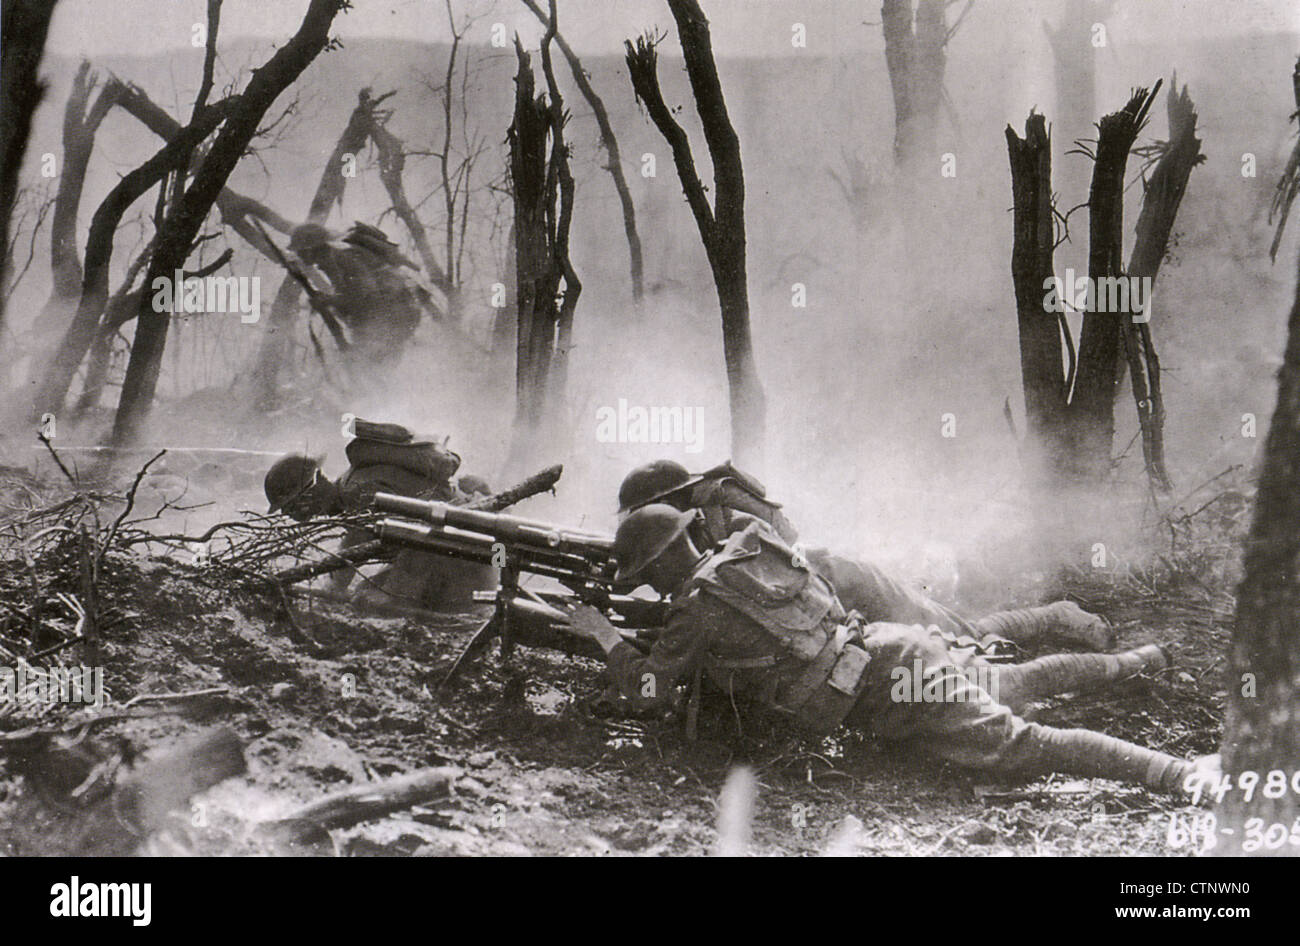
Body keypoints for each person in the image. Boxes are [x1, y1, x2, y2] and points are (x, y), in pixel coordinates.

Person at [567, 505, 1215, 796]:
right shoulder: (748, 549)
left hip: (878, 687)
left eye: (646, 575)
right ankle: (1137, 661)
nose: (648, 585)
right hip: (886, 649)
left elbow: (649, 692)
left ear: (656, 567)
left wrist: (602, 636)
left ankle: (1185, 776)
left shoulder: (696, 612)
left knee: (1018, 746)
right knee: (1013, 684)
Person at [616, 459, 1113, 653]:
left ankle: (1060, 616)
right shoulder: (693, 525)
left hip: (840, 581)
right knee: (949, 641)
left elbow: (782, 545)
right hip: (824, 605)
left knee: (963, 634)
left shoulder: (721, 501)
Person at [264, 420, 491, 609]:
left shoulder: (357, 492)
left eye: (292, 507)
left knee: (377, 604)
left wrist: (331, 589)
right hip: (457, 545)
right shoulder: (350, 485)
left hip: (477, 549)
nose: (295, 515)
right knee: (367, 594)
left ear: (308, 494)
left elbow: (352, 550)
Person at [287, 221, 432, 364]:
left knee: (370, 368)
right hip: (393, 313)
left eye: (300, 250)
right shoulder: (334, 257)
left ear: (311, 248)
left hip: (390, 314)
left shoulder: (341, 256)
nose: (299, 254)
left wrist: (327, 300)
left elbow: (364, 292)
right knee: (374, 368)